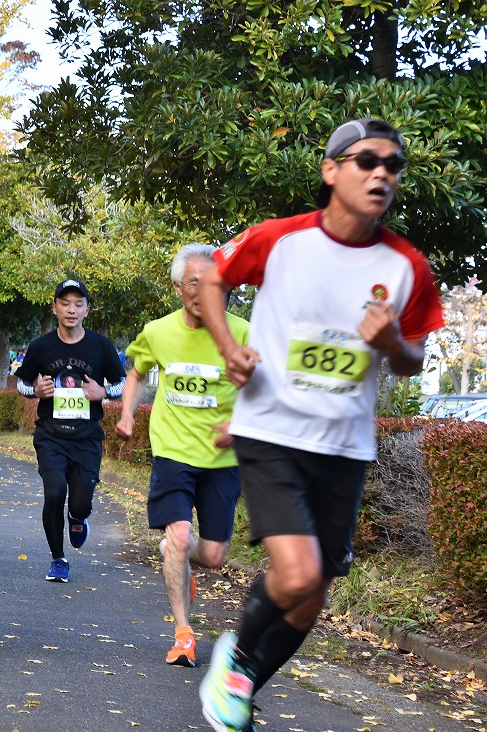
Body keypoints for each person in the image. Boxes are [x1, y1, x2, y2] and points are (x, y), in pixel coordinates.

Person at [195, 118, 444, 732]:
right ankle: (235, 657)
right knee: (298, 572)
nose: (382, 172)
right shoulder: (281, 240)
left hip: (346, 445)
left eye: (393, 164)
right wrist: (228, 345)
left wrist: (390, 342)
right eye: (367, 160)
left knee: (314, 593)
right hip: (272, 430)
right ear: (331, 170)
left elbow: (412, 361)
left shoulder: (407, 264)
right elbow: (210, 278)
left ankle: (244, 683)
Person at [115, 243, 250, 668]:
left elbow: (261, 387)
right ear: (178, 288)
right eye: (196, 282)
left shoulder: (243, 332)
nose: (206, 290)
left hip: (222, 459)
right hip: (173, 451)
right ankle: (183, 633)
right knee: (177, 535)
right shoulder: (158, 331)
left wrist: (239, 424)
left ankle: (178, 557)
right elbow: (134, 371)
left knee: (211, 555)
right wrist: (126, 414)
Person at [14, 279, 126, 583]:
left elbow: (123, 384)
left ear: (87, 310)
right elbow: (21, 383)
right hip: (50, 434)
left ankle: (77, 518)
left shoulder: (101, 346)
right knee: (54, 493)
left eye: (78, 303)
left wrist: (101, 391)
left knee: (79, 502)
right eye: (65, 303)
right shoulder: (41, 346)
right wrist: (35, 388)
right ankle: (58, 559)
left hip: (87, 436)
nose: (71, 309)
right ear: (55, 307)